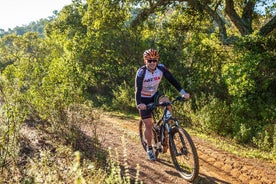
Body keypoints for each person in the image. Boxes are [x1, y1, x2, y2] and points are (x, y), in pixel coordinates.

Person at [135, 49, 190, 161]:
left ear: (157, 60)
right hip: (143, 98)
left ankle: (166, 127)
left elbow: (172, 80)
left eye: (154, 60)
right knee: (149, 125)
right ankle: (150, 148)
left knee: (167, 102)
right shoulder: (141, 73)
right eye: (149, 60)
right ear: (145, 61)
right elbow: (138, 89)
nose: (152, 62)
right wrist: (139, 104)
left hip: (155, 94)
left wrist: (183, 93)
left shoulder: (161, 68)